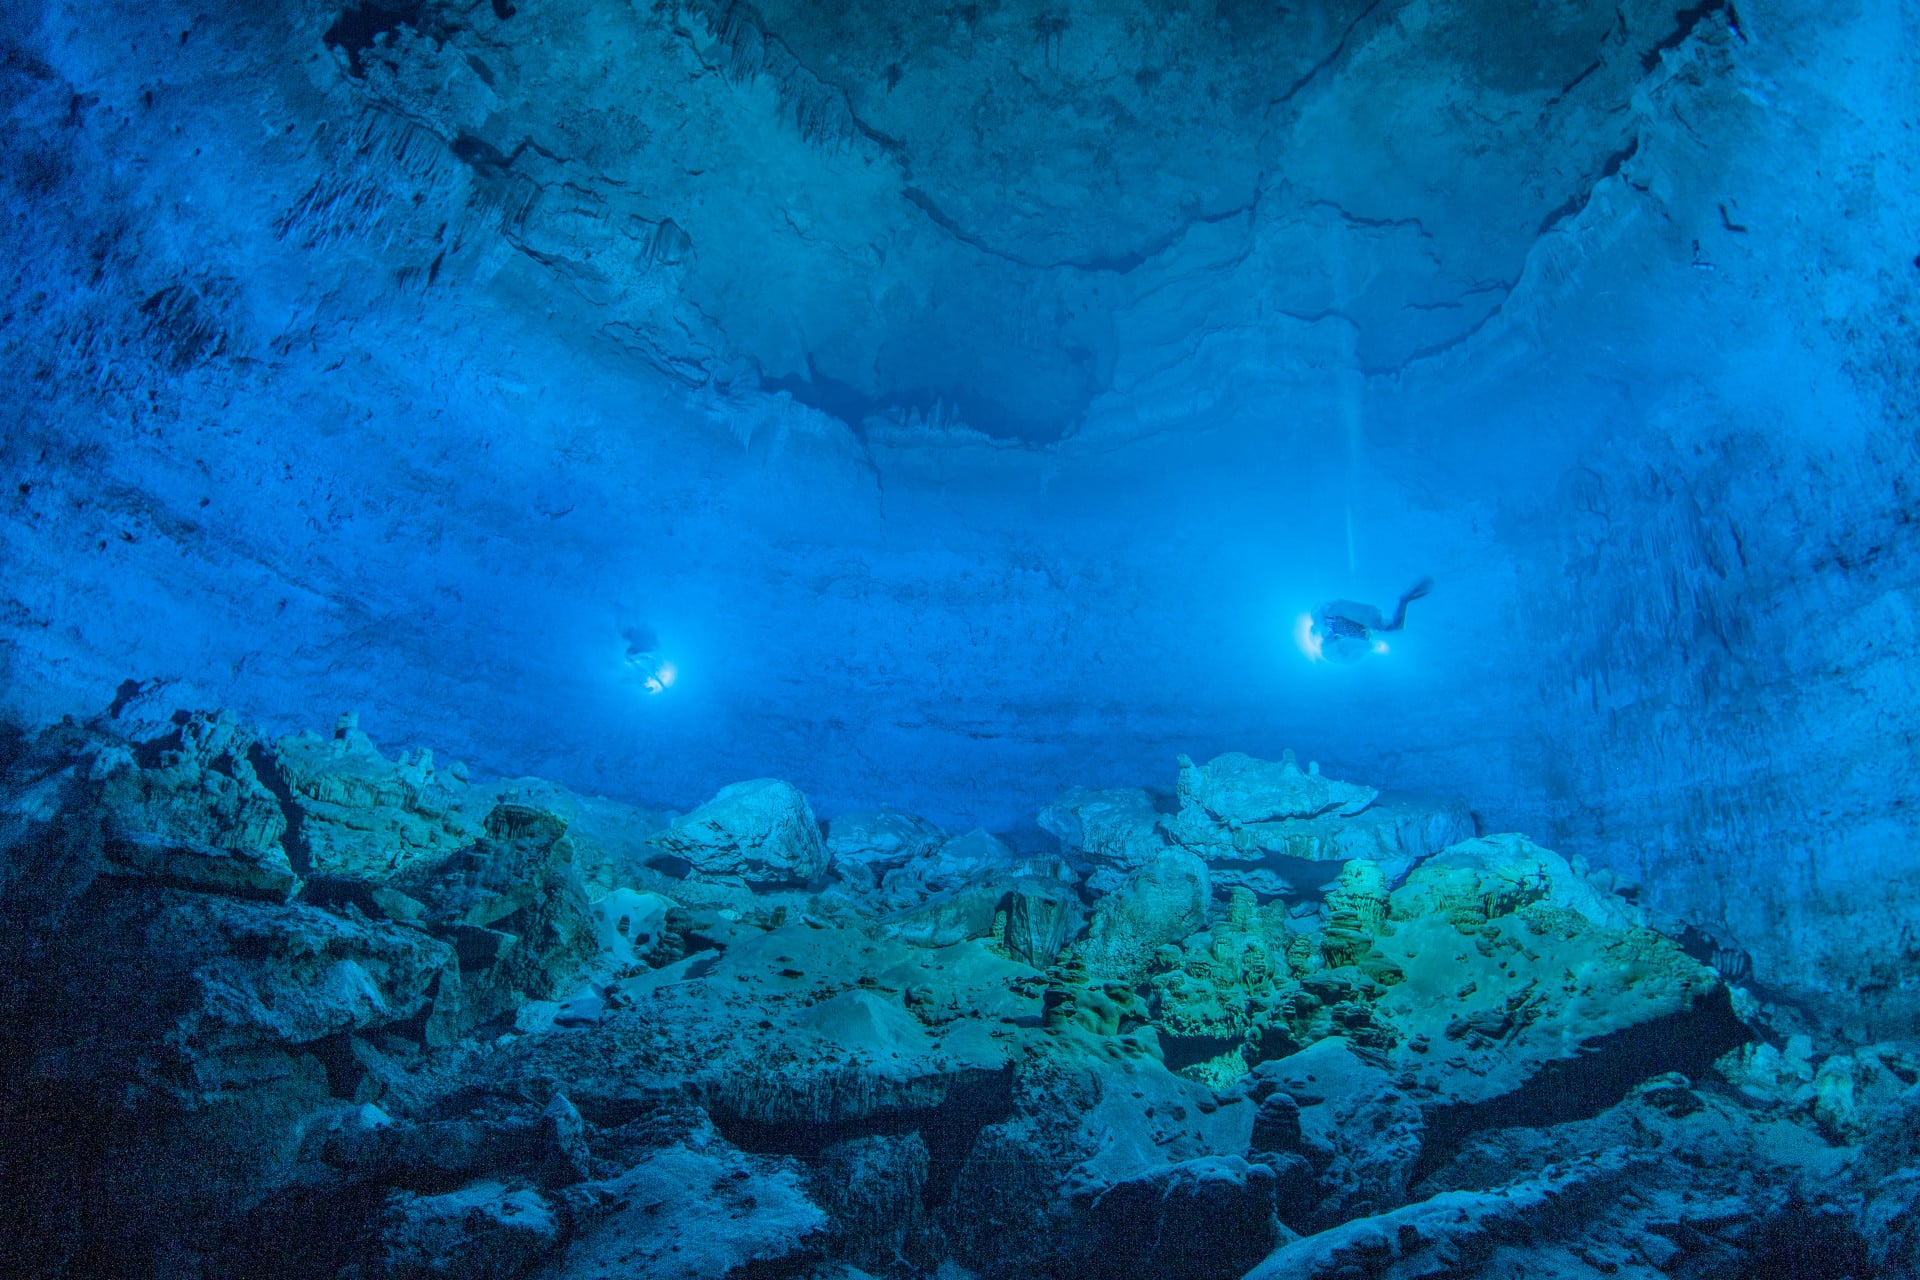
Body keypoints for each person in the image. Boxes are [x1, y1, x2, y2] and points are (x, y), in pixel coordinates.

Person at [1305, 578, 1433, 664]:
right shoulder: (1362, 637)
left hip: (1343, 625)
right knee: (1389, 628)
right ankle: (1405, 600)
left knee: (1388, 628)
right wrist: (1404, 601)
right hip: (1348, 628)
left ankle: (1405, 600)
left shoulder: (1328, 621)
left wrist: (1404, 601)